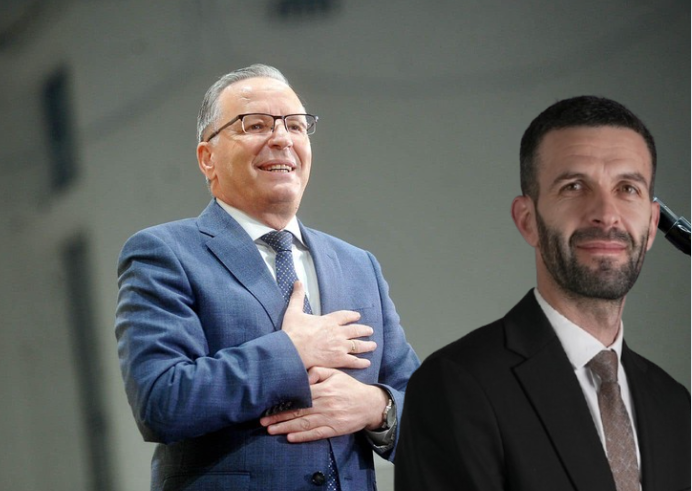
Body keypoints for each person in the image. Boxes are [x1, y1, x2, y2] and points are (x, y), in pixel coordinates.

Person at [115, 64, 420, 490]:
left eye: (295, 125)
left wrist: (375, 407)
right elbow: (161, 401)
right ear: (207, 158)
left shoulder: (358, 265)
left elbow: (430, 415)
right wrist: (292, 352)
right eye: (255, 124)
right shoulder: (165, 253)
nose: (282, 138)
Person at [395, 96, 690, 490]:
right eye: (574, 186)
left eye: (627, 188)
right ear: (527, 220)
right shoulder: (454, 386)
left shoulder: (674, 404)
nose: (606, 214)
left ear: (652, 226)